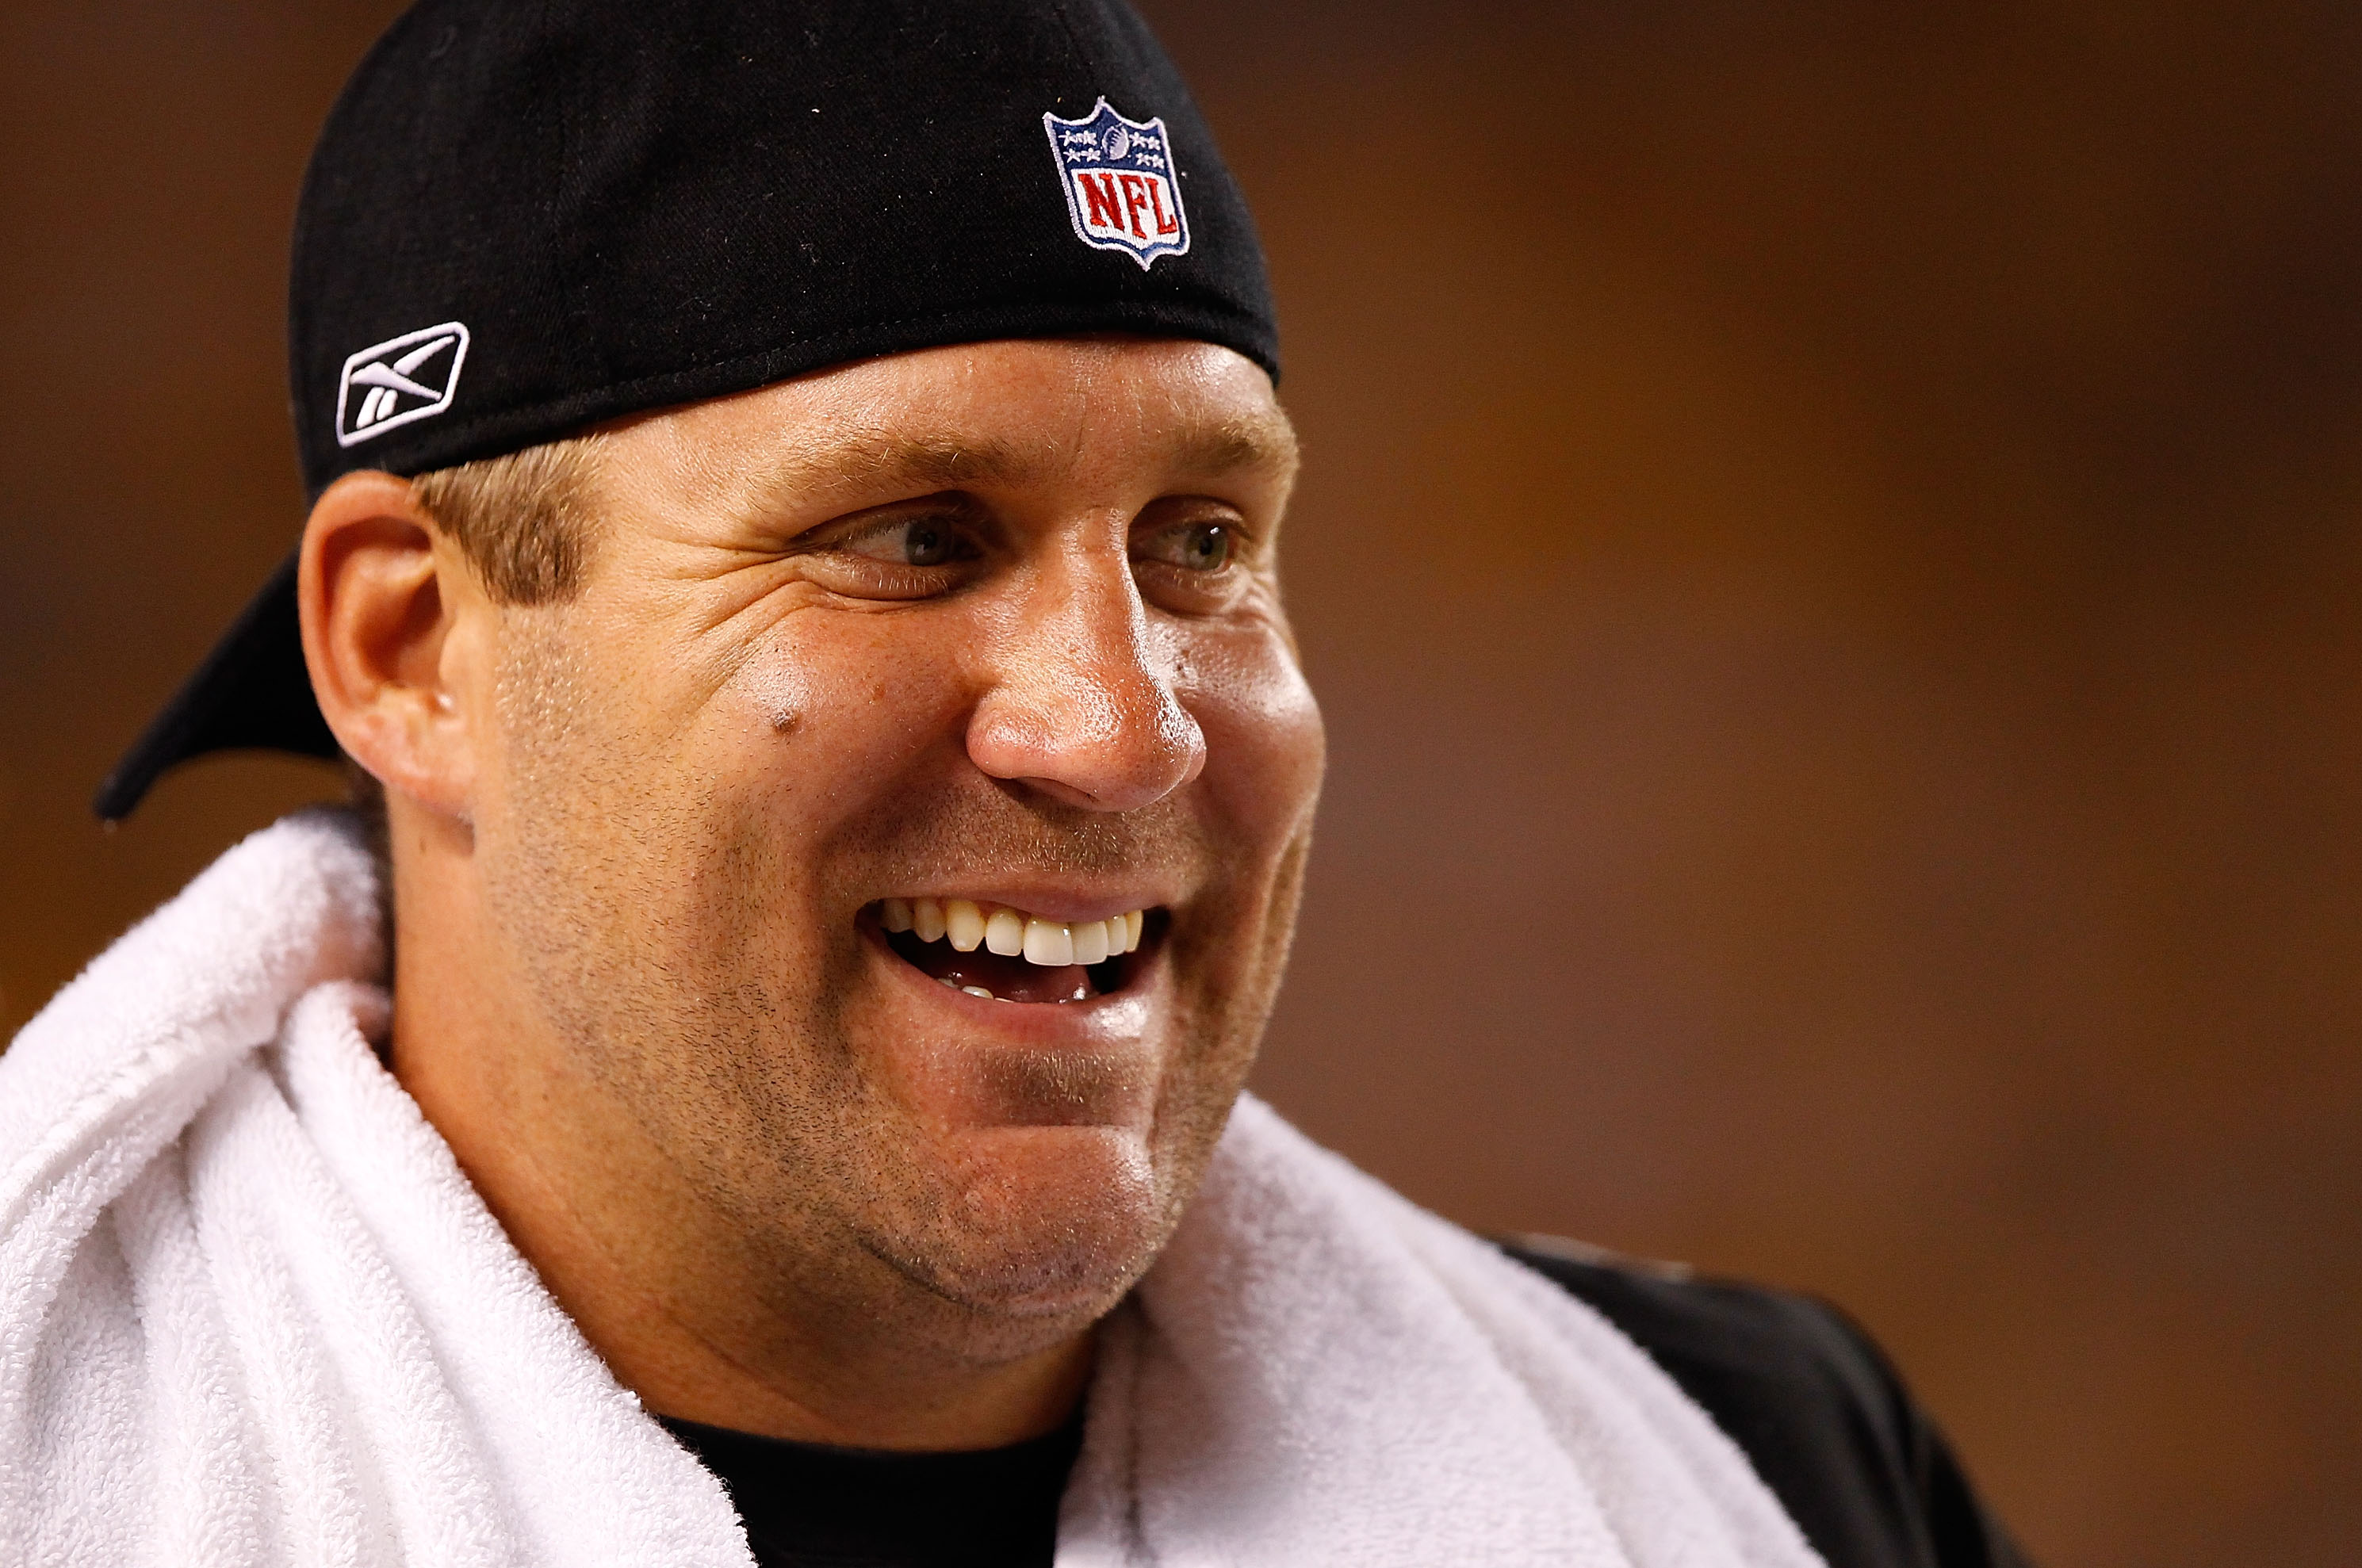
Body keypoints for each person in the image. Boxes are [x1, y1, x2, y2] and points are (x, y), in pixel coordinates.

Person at [2, 2, 2029, 1565]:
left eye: (1201, 543)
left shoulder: (1771, 1470)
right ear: (411, 651)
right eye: (912, 535)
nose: (1129, 726)